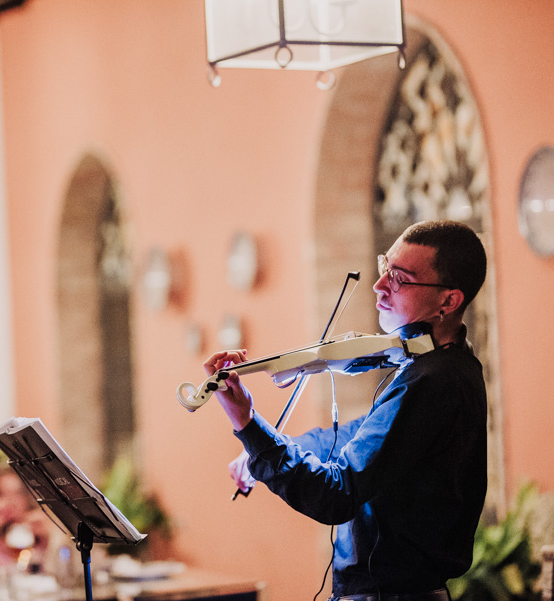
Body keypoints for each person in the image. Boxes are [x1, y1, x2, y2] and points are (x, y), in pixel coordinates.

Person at [206, 220, 488, 601]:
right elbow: (354, 438)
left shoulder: (433, 382)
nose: (379, 285)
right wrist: (260, 449)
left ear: (449, 301)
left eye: (400, 279)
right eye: (385, 267)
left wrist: (248, 424)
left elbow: (336, 495)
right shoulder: (444, 368)